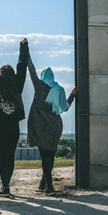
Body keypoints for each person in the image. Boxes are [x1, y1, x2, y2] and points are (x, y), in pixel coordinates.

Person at [26, 45, 76, 195]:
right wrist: (73, 94)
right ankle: (43, 183)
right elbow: (65, 108)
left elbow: (31, 68)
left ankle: (49, 186)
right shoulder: (59, 89)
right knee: (49, 155)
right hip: (54, 127)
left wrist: (25, 49)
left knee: (45, 156)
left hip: (40, 127)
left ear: (43, 77)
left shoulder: (39, 86)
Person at [0, 39, 28, 197]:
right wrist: (23, 47)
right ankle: (6, 185)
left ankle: (4, 186)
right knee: (10, 156)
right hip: (13, 127)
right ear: (13, 74)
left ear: (0, 74)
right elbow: (22, 66)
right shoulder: (18, 84)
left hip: (0, 127)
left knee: (2, 156)